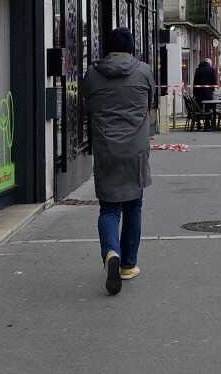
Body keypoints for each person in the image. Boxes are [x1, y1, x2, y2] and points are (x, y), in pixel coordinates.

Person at [81, 28, 156, 296]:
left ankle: (110, 251)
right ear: (131, 47)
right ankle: (127, 264)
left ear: (107, 48)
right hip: (136, 150)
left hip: (106, 149)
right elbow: (151, 105)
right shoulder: (144, 71)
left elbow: (85, 104)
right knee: (134, 206)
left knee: (109, 210)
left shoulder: (92, 74)